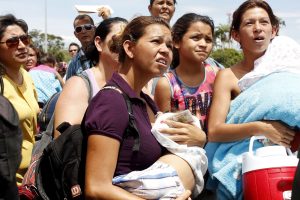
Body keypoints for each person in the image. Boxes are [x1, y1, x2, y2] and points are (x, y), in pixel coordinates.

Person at [83, 16, 196, 199]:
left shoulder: (145, 100)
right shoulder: (112, 101)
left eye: (168, 45)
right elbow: (96, 187)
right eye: (156, 41)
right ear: (129, 48)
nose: (165, 51)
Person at [205, 1, 297, 199]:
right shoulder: (227, 76)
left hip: (289, 160)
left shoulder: (289, 72)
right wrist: (261, 128)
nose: (257, 28)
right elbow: (214, 131)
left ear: (274, 30)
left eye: (264, 22)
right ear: (235, 35)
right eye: (249, 23)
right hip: (249, 165)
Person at [54, 17, 128, 138]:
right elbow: (66, 145)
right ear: (99, 43)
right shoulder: (77, 82)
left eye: (88, 27)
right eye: (117, 41)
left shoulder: (135, 84)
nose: (125, 46)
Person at [155, 13, 219, 134]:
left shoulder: (217, 76)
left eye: (208, 40)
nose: (203, 44)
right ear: (177, 42)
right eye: (196, 38)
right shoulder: (167, 84)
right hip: (183, 149)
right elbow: (164, 128)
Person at [0, 14, 39, 185]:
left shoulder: (27, 76)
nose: (22, 46)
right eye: (12, 42)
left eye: (25, 39)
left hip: (30, 177)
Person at [65, 12, 112, 80]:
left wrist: (107, 19)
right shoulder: (73, 64)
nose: (83, 31)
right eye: (79, 29)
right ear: (75, 34)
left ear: (94, 29)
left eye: (87, 27)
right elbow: (69, 87)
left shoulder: (105, 50)